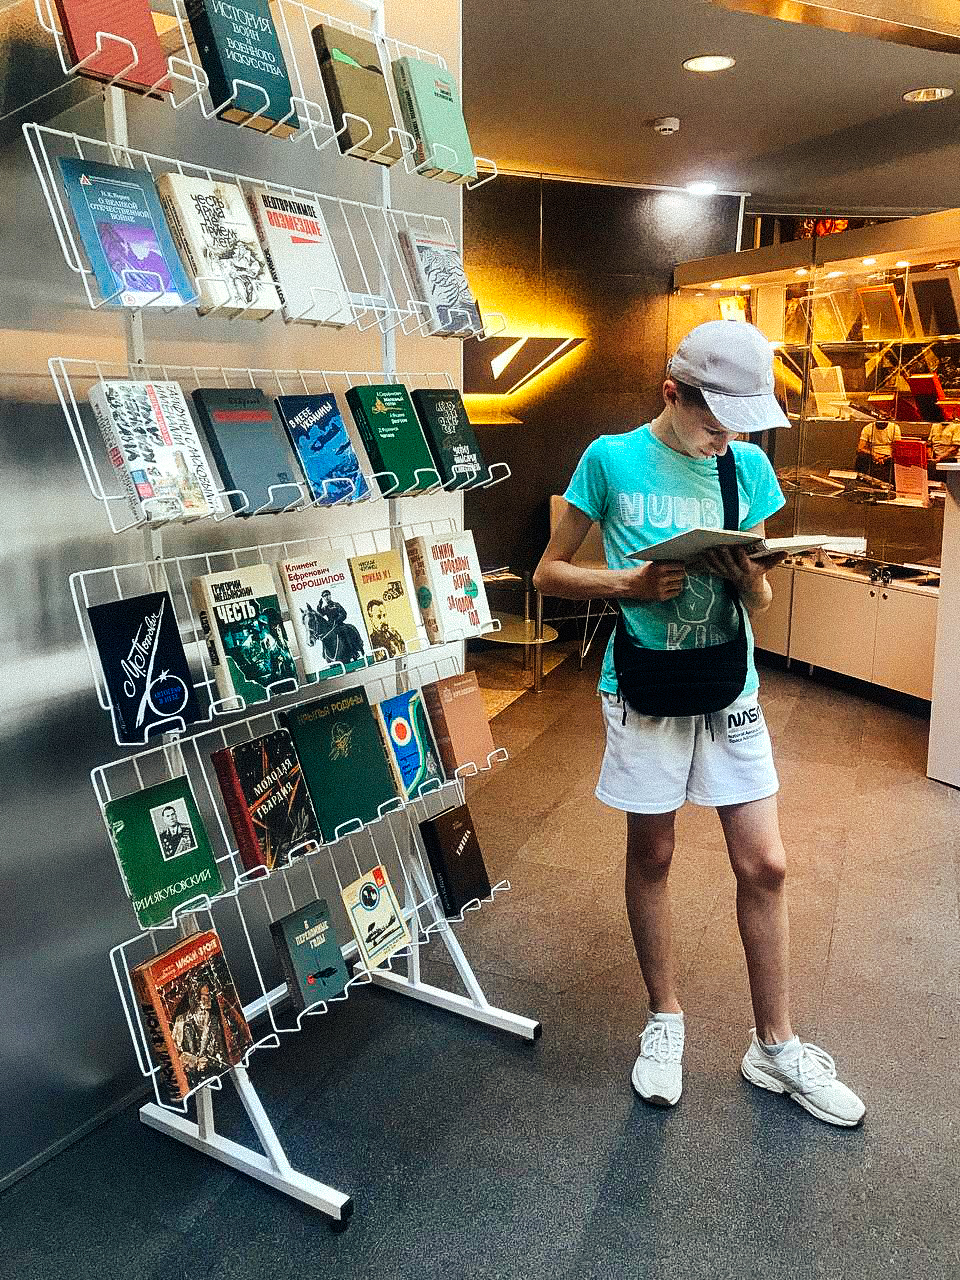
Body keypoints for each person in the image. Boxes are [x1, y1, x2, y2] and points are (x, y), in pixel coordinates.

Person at [534, 321, 865, 1127]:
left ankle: (775, 1045)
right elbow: (548, 573)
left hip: (729, 683)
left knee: (767, 865)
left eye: (739, 426)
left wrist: (749, 580)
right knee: (654, 852)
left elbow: (762, 600)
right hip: (645, 684)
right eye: (715, 424)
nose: (727, 440)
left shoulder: (746, 467)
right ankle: (665, 1018)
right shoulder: (610, 458)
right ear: (671, 393)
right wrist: (630, 585)